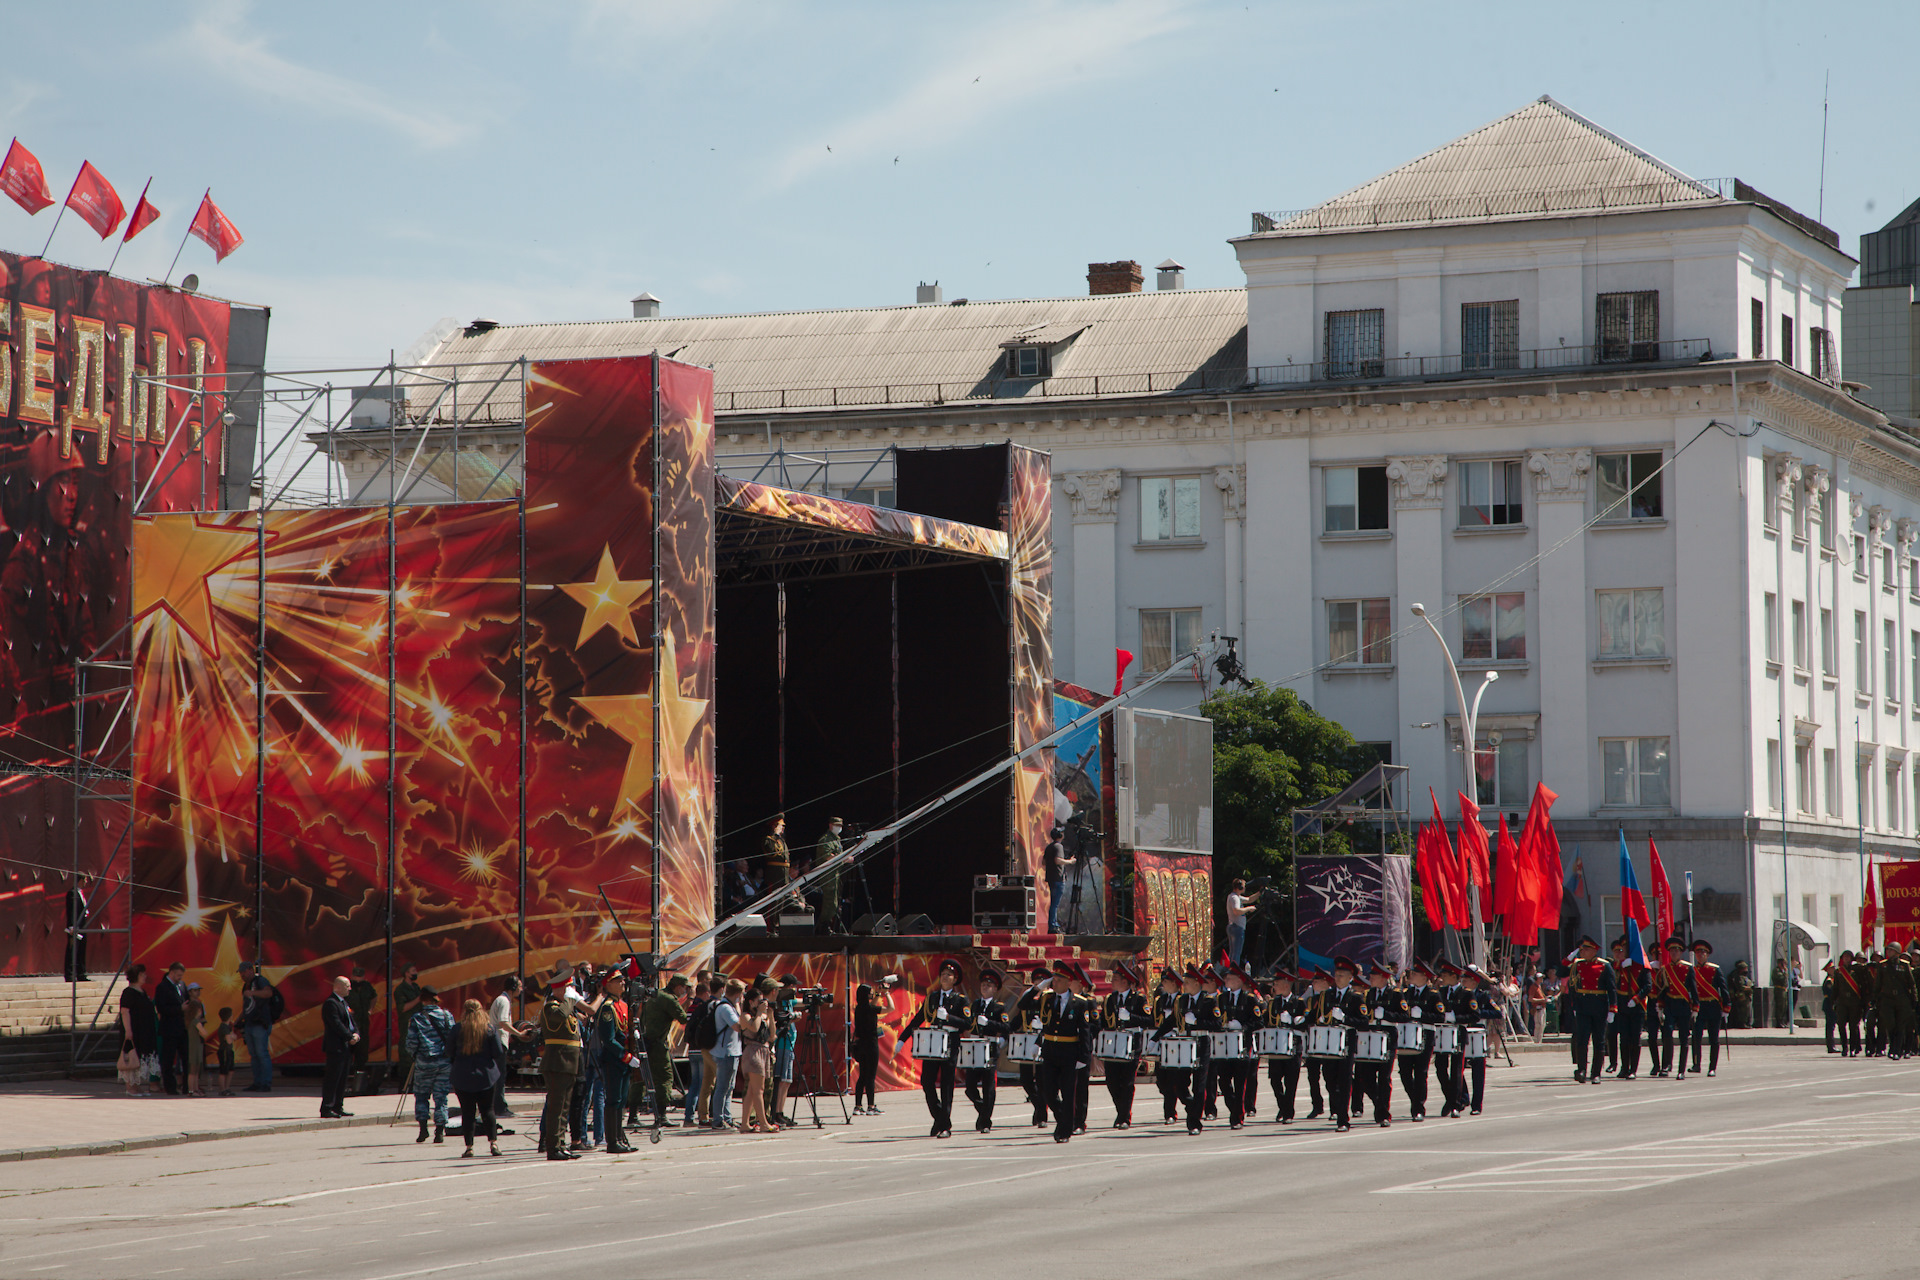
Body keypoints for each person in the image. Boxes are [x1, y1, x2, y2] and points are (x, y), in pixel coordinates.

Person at [901, 958, 970, 1138]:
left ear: (955, 979)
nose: (945, 977)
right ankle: (940, 1118)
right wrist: (902, 1039)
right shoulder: (931, 997)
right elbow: (917, 1019)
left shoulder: (960, 1000)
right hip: (932, 1044)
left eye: (949, 975)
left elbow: (967, 1023)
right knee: (927, 1082)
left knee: (947, 1085)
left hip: (950, 1042)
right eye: (943, 974)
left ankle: (944, 1125)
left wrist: (948, 1018)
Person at [1035, 959, 1095, 1143]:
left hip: (1069, 1051)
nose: (1055, 983)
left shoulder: (1080, 1003)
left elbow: (1085, 1031)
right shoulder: (1047, 998)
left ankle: (1064, 1131)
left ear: (1069, 982)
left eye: (1059, 980)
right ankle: (1064, 1120)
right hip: (1050, 1051)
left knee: (1069, 1093)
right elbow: (1025, 1005)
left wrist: (1084, 1056)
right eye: (1054, 980)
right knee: (1049, 1092)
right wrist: (1038, 987)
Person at [538, 965, 585, 1160]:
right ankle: (553, 1147)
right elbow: (558, 1018)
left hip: (567, 1064)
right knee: (556, 1107)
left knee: (564, 1107)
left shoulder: (564, 1007)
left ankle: (560, 1144)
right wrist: (568, 1000)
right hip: (557, 1063)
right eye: (568, 988)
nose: (571, 992)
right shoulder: (552, 1007)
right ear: (559, 989)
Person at [450, 998, 506, 1157]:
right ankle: (493, 1143)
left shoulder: (457, 1029)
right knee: (488, 1110)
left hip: (462, 1076)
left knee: (468, 1112)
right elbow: (498, 1052)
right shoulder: (489, 1029)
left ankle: (469, 1146)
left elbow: (448, 1051)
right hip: (486, 1076)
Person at [591, 969, 636, 1152]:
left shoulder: (622, 1005)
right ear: (608, 985)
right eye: (618, 981)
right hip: (614, 1059)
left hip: (624, 1060)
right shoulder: (607, 1007)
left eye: (623, 981)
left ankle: (619, 1137)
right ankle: (612, 1141)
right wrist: (626, 1056)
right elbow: (608, 1039)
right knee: (613, 1100)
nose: (623, 984)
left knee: (622, 1100)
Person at [405, 986, 457, 1143]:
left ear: (422, 999)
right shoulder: (447, 1015)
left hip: (424, 1062)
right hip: (444, 1062)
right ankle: (440, 1131)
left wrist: (414, 1055)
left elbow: (411, 1042)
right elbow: (453, 1038)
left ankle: (423, 1130)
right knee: (441, 1097)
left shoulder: (417, 1018)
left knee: (421, 1095)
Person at [640, 973, 690, 1130]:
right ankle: (661, 1116)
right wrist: (690, 1000)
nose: (685, 990)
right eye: (684, 987)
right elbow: (683, 1018)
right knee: (665, 1078)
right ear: (678, 986)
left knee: (642, 1078)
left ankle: (633, 1115)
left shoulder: (656, 995)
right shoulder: (669, 999)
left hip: (645, 1042)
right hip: (658, 1045)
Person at [1099, 962, 1146, 1129]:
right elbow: (1103, 1022)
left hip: (1131, 1043)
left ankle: (1124, 1117)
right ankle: (1122, 1111)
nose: (1113, 981)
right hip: (1113, 1044)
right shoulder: (1110, 999)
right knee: (1111, 1082)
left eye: (1117, 979)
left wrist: (1131, 1017)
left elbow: (1149, 1020)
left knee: (1126, 1082)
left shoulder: (1139, 999)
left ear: (1126, 982)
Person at [1321, 957, 1366, 1133]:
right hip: (1329, 1045)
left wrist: (1345, 1019)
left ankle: (1343, 1119)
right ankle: (1339, 1108)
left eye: (1341, 975)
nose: (1337, 978)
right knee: (1330, 1079)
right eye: (1336, 974)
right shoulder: (1328, 995)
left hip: (1346, 1045)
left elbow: (1363, 1022)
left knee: (1344, 1080)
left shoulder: (1355, 998)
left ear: (1350, 978)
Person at [1396, 960, 1443, 1121]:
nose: (1411, 976)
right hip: (1406, 1037)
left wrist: (1422, 1015)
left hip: (1425, 1036)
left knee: (1421, 1073)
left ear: (1424, 977)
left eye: (1415, 974)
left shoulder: (1433, 994)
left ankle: (1418, 1107)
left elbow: (1440, 1017)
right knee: (1404, 1073)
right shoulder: (1405, 993)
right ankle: (1415, 1100)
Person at [1565, 936, 1615, 1085]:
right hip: (1582, 1006)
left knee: (1599, 1041)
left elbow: (1611, 989)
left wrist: (1613, 1008)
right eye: (1582, 949)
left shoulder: (1604, 966)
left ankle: (1596, 1073)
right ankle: (1581, 1070)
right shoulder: (1577, 965)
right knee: (1582, 1040)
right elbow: (1573, 987)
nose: (1583, 952)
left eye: (1586, 949)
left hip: (1599, 1006)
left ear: (1594, 951)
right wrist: (1574, 1006)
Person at [1216, 961, 1260, 1129]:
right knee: (1224, 1083)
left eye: (1231, 977)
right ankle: (1234, 1106)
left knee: (1240, 1083)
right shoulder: (1221, 998)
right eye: (1226, 977)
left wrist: (1242, 1027)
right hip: (1224, 1046)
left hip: (1242, 1047)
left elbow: (1259, 1021)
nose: (1226, 980)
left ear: (1240, 980)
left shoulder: (1249, 999)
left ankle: (1237, 1117)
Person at [966, 967, 1010, 1131]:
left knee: (988, 1088)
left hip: (990, 1048)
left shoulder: (999, 1007)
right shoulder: (975, 1004)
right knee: (970, 1088)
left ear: (995, 989)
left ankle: (985, 1121)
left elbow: (1006, 1027)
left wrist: (989, 1024)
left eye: (989, 985)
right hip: (975, 1048)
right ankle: (984, 1112)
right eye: (983, 984)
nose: (985, 987)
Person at [1649, 935, 1696, 1079]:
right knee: (1667, 1034)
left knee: (1683, 1038)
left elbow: (1693, 990)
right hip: (1670, 1005)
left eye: (1676, 950)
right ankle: (1665, 1066)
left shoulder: (1688, 968)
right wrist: (1660, 1006)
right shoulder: (1665, 969)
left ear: (1680, 952)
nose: (1674, 953)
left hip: (1683, 1006)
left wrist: (1695, 1008)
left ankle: (1681, 1070)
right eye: (1672, 951)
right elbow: (1663, 990)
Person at [1013, 964, 1052, 1126]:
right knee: (1026, 1080)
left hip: (1044, 1040)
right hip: (1028, 1042)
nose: (1039, 984)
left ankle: (1041, 1115)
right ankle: (1039, 1107)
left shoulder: (1051, 997)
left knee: (1043, 1081)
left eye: (1042, 981)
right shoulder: (1029, 997)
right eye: (1036, 981)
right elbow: (1021, 1008)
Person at [736, 987, 776, 1133]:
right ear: (751, 1002)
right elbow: (754, 1028)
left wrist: (770, 1015)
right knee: (759, 1090)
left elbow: (772, 1036)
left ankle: (745, 1124)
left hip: (764, 1051)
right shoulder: (745, 1016)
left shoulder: (762, 1016)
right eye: (759, 1001)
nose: (762, 1004)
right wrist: (759, 1013)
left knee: (752, 1091)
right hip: (752, 1053)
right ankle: (764, 1123)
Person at [1687, 939, 1730, 1076]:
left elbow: (1723, 989)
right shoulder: (1692, 970)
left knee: (1714, 1039)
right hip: (1699, 1007)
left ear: (1707, 954)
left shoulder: (1714, 969)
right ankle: (1696, 1064)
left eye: (1703, 952)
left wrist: (1726, 1008)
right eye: (1698, 952)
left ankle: (1712, 1067)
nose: (1700, 955)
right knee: (1696, 1037)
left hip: (1713, 1006)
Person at [320, 975, 360, 1119]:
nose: (350, 988)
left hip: (346, 1047)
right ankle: (327, 1107)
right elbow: (336, 1024)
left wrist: (356, 1034)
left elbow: (351, 1021)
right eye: (347, 986)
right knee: (333, 1077)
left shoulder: (343, 1003)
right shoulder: (331, 1003)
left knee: (343, 1078)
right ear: (338, 986)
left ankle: (338, 1106)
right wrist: (349, 1037)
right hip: (336, 1046)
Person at [1610, 937, 1649, 1080]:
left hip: (1636, 1006)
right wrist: (1621, 966)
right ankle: (1624, 1068)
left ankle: (1633, 1069)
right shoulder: (1617, 966)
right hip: (1622, 1005)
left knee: (1635, 1040)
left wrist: (1637, 998)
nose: (1624, 950)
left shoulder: (1641, 965)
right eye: (1623, 948)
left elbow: (1647, 986)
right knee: (1624, 1039)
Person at [239, 968, 283, 1093]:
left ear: (250, 971)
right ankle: (257, 1082)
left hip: (260, 1023)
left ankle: (265, 1083)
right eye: (241, 973)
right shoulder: (246, 986)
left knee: (262, 1053)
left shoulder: (260, 981)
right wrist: (238, 1021)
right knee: (254, 1055)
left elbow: (268, 993)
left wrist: (252, 993)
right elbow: (247, 1007)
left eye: (244, 972)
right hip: (250, 1023)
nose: (242, 975)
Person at [117, 964, 157, 1097]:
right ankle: (130, 1087)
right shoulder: (128, 992)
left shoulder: (142, 991)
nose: (145, 976)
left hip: (144, 1031)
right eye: (143, 974)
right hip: (134, 1030)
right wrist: (128, 1030)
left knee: (141, 1057)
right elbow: (124, 1012)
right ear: (137, 976)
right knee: (132, 1057)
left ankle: (137, 1085)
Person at [708, 980, 743, 1130]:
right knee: (722, 1087)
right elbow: (738, 1026)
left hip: (732, 1051)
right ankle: (718, 1119)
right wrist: (739, 1007)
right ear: (737, 994)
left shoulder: (728, 1006)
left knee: (729, 1087)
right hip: (726, 1052)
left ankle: (726, 1117)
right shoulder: (726, 1008)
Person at [153, 961, 190, 1096]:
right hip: (169, 1028)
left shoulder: (181, 985)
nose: (180, 978)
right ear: (172, 972)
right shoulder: (163, 987)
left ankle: (187, 1086)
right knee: (168, 1059)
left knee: (186, 1058)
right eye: (178, 975)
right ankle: (170, 1087)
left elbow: (186, 1000)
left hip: (182, 1027)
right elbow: (161, 1008)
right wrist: (179, 1009)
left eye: (182, 976)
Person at [488, 976, 522, 1119]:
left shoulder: (501, 1000)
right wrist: (518, 1033)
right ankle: (500, 1107)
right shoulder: (504, 1001)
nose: (521, 989)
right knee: (500, 1076)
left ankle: (496, 1106)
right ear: (513, 987)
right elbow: (503, 1022)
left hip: (497, 1041)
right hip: (499, 1042)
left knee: (498, 1076)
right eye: (519, 986)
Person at [772, 975, 800, 1127]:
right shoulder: (780, 1002)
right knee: (782, 1080)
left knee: (787, 1081)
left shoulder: (789, 1000)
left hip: (790, 1044)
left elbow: (801, 1002)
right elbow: (782, 1019)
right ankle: (776, 1112)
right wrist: (793, 1018)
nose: (794, 990)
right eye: (793, 987)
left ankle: (780, 1111)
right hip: (783, 1044)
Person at [393, 963, 423, 1084]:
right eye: (413, 970)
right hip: (407, 1024)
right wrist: (418, 999)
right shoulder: (400, 990)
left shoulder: (416, 987)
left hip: (418, 1024)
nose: (415, 973)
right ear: (406, 973)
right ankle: (404, 1082)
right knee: (406, 1053)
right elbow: (402, 1008)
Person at [814, 818, 845, 934]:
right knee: (829, 902)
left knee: (834, 902)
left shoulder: (836, 840)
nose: (839, 828)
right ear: (830, 825)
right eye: (836, 825)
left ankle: (827, 926)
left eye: (840, 825)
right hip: (828, 876)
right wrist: (844, 858)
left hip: (835, 874)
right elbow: (828, 856)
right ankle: (823, 926)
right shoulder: (826, 839)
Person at [346, 965, 378, 1077]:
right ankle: (347, 1073)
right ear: (352, 976)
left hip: (364, 1022)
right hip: (350, 1023)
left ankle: (360, 1074)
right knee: (349, 1048)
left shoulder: (367, 986)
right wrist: (347, 1011)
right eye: (356, 976)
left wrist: (370, 1009)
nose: (358, 979)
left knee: (363, 1050)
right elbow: (341, 1000)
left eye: (360, 977)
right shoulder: (347, 987)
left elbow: (374, 997)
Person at [1043, 825, 1072, 934]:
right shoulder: (1058, 847)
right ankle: (1053, 925)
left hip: (1050, 877)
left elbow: (1043, 862)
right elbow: (1057, 860)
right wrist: (1069, 861)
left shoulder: (1049, 847)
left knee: (1053, 902)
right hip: (1057, 878)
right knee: (1055, 903)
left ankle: (1053, 924)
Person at [63, 872, 91, 982]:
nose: (86, 883)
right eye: (84, 880)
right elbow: (71, 911)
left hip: (82, 926)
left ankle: (81, 974)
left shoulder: (80, 893)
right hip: (75, 927)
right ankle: (69, 975)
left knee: (81, 950)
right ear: (80, 880)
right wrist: (71, 927)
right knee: (72, 951)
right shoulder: (72, 893)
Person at [183, 983, 208, 1098]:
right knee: (193, 1071)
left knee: (195, 1070)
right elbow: (204, 1033)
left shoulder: (190, 1021)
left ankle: (194, 1089)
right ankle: (192, 1089)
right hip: (195, 1047)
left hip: (195, 1046)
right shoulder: (195, 1022)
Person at [763, 814, 792, 895]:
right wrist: (776, 835)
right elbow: (770, 850)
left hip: (784, 877)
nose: (782, 828)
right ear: (774, 826)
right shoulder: (769, 839)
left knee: (781, 903)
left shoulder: (781, 840)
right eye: (780, 826)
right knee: (774, 903)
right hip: (774, 876)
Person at [1224, 880, 1251, 965]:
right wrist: (1248, 909)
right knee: (1236, 953)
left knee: (1233, 953)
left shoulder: (1235, 897)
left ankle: (1232, 970)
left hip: (1234, 927)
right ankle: (1234, 972)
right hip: (1237, 927)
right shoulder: (1234, 897)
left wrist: (1260, 892)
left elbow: (1249, 899)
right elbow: (1236, 911)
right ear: (1239, 887)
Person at [212, 1006, 237, 1095]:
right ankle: (222, 1089)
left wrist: (232, 1036)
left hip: (229, 1050)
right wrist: (232, 1036)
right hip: (224, 1050)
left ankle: (227, 1088)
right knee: (223, 1070)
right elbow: (229, 1040)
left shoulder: (228, 1027)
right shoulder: (223, 1027)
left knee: (230, 1070)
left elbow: (234, 1036)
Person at [1728, 959, 1756, 1029]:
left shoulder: (1744, 976)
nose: (1746, 970)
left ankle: (1746, 1022)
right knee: (1743, 1010)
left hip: (1746, 996)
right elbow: (1740, 987)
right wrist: (1750, 988)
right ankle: (1742, 1023)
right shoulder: (1738, 977)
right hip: (1742, 996)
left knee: (1747, 1010)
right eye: (1745, 969)